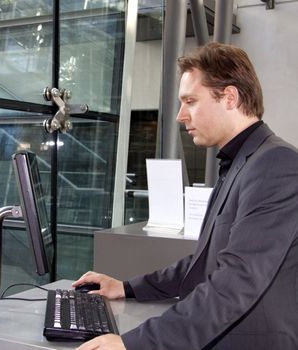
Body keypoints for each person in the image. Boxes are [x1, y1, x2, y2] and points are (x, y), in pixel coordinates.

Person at [73, 42, 298, 350]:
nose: (180, 115)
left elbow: (236, 283)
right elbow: (204, 261)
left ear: (229, 97)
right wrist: (126, 288)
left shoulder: (276, 165)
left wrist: (132, 344)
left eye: (190, 101)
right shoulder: (242, 161)